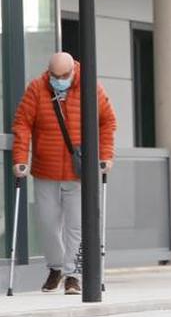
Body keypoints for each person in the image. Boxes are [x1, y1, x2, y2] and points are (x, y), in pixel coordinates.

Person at [12, 52, 117, 295]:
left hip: (79, 171)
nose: (59, 80)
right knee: (48, 224)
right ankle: (56, 267)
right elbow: (22, 124)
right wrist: (20, 159)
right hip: (45, 169)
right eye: (54, 76)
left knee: (76, 226)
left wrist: (106, 155)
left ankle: (73, 275)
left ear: (73, 71)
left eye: (64, 76)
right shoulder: (37, 89)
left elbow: (108, 121)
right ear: (48, 72)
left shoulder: (91, 87)